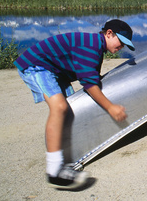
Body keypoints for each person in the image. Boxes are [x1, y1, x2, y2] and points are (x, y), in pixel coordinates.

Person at [14, 19, 135, 190]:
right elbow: (89, 84)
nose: (121, 47)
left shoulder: (97, 48)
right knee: (60, 107)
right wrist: (110, 107)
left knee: (71, 108)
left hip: (56, 70)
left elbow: (92, 77)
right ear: (109, 33)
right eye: (121, 42)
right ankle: (54, 171)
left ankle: (64, 160)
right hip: (36, 65)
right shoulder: (91, 46)